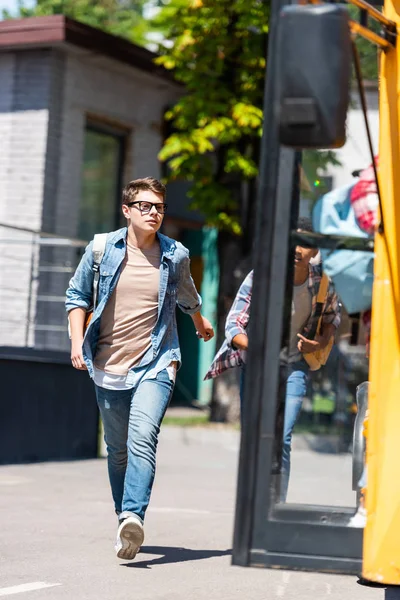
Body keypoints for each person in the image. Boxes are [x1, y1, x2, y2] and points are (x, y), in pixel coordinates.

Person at [66, 177, 214, 561]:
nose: (154, 213)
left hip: (157, 359)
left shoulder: (174, 254)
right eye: (145, 206)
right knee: (117, 451)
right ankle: (123, 520)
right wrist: (75, 342)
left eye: (159, 207)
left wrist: (199, 322)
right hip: (107, 363)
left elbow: (186, 293)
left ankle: (134, 513)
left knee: (142, 438)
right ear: (127, 210)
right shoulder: (102, 249)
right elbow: (77, 296)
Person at [205, 217, 340, 501]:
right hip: (258, 366)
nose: (297, 249)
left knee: (283, 435)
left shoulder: (323, 283)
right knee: (255, 434)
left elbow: (331, 320)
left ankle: (274, 503)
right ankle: (252, 500)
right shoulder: (261, 277)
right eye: (294, 241)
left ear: (314, 252)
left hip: (295, 366)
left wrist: (321, 340)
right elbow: (233, 327)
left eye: (306, 244)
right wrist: (257, 349)